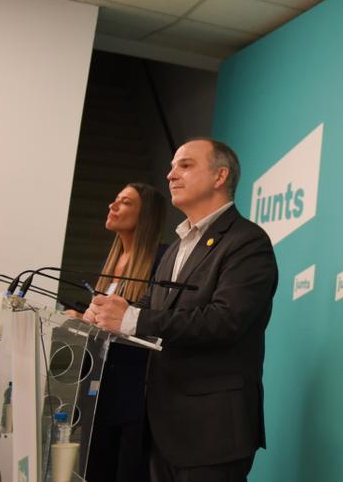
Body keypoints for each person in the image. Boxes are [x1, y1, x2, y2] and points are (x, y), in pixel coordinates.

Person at [88, 138, 278, 482]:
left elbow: (226, 320)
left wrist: (131, 317)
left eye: (185, 165)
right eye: (172, 166)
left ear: (220, 177)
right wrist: (107, 314)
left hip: (212, 432)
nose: (171, 174)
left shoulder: (247, 241)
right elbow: (155, 308)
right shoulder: (176, 247)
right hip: (163, 428)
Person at [76, 182, 166, 482]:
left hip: (135, 394)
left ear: (146, 215)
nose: (112, 206)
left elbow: (151, 322)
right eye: (114, 199)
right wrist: (80, 317)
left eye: (124, 202)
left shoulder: (162, 260)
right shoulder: (112, 261)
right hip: (101, 388)